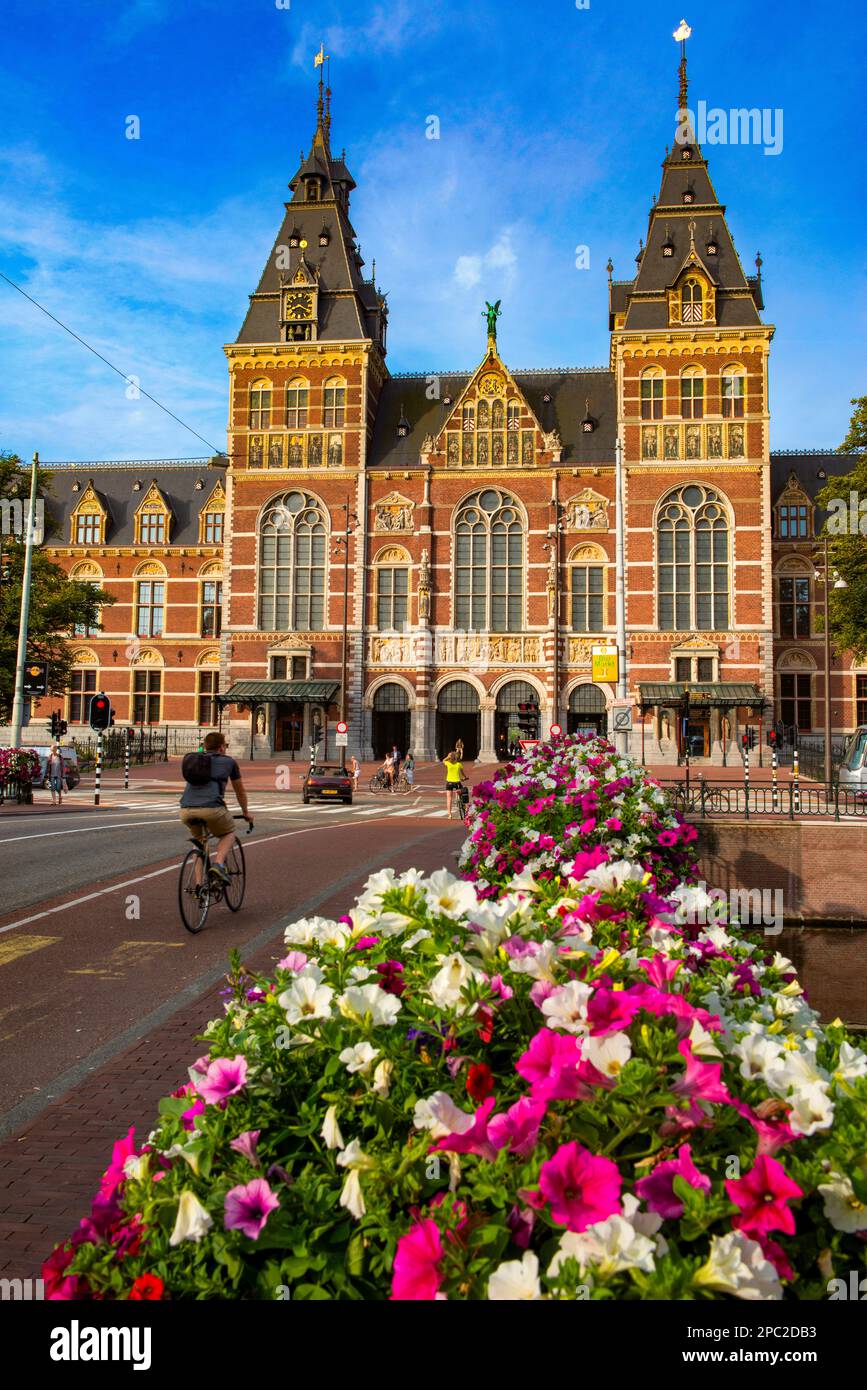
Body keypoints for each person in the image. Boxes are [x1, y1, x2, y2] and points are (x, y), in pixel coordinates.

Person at [179, 731, 252, 885]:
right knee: (228, 833)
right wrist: (245, 812)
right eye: (225, 745)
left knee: (199, 842)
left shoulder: (194, 760)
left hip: (185, 809)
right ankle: (218, 865)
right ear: (221, 747)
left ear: (205, 746)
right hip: (211, 808)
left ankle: (199, 886)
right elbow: (240, 792)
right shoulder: (229, 762)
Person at [443, 749, 465, 820]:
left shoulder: (448, 763)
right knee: (461, 793)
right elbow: (462, 774)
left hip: (449, 783)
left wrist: (448, 756)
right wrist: (465, 777)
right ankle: (460, 801)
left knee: (449, 798)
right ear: (456, 758)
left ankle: (450, 815)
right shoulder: (459, 764)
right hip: (457, 782)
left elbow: (443, 760)